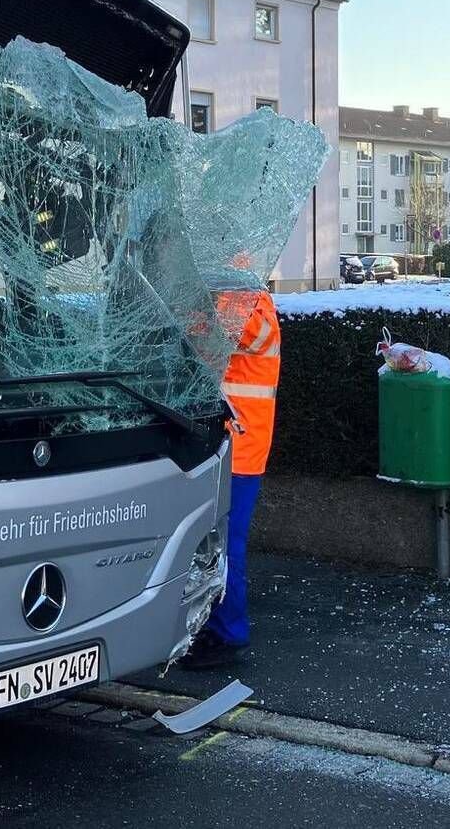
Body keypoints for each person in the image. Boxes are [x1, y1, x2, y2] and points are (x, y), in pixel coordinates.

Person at [182, 285, 280, 670]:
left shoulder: (248, 302)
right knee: (215, 541)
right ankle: (214, 625)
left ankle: (229, 633)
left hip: (239, 447)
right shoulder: (242, 299)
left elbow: (209, 340)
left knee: (226, 543)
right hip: (228, 443)